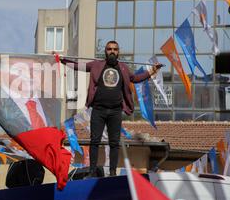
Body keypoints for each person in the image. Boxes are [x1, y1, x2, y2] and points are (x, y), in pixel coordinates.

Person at [60, 40, 162, 177]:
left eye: (115, 49)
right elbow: (79, 66)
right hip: (98, 110)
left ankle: (113, 172)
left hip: (115, 111)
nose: (112, 51)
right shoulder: (96, 65)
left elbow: (136, 78)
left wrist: (152, 71)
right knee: (94, 141)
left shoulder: (124, 68)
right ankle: (92, 171)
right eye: (109, 49)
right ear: (106, 52)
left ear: (118, 52)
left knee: (114, 143)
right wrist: (62, 60)